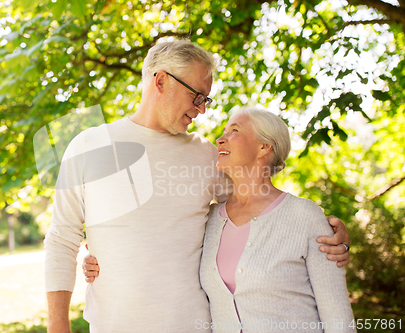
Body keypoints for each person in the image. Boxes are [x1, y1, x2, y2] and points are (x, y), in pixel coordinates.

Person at [45, 40, 351, 333]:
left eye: (206, 99)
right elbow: (62, 238)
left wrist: (326, 235)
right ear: (161, 81)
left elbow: (262, 210)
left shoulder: (206, 155)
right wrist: (58, 327)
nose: (202, 109)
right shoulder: (89, 146)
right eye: (197, 96)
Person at [198, 107, 355, 332]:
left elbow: (338, 318)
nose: (221, 139)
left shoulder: (305, 216)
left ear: (264, 146)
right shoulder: (210, 219)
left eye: (234, 130)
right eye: (224, 131)